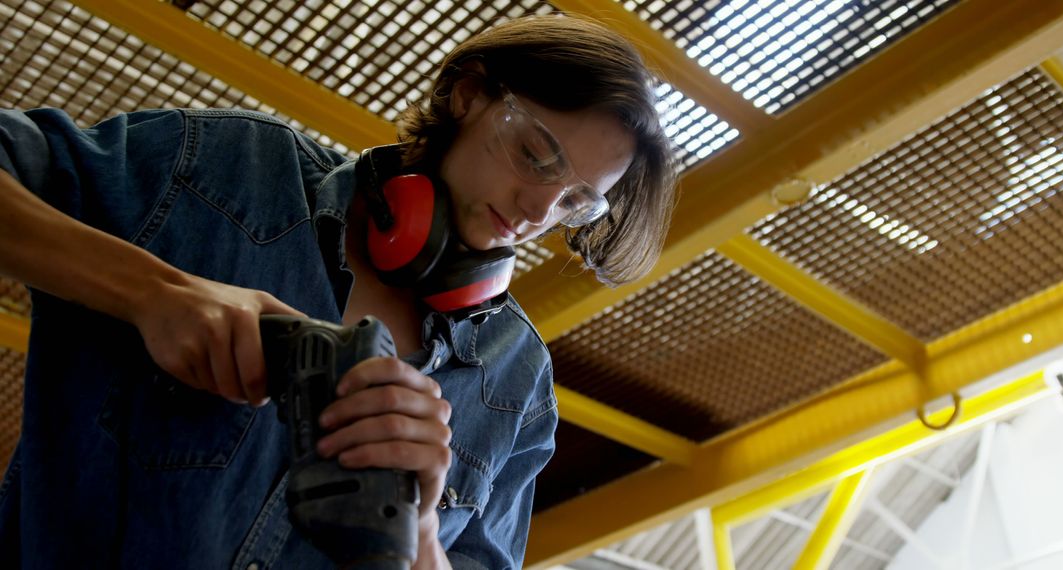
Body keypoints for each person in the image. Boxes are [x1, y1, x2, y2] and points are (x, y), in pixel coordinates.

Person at [0, 13, 676, 570]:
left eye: (576, 203)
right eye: (536, 156)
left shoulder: (518, 386)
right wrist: (153, 292)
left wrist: (419, 540)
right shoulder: (225, 172)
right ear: (470, 94)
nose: (538, 211)